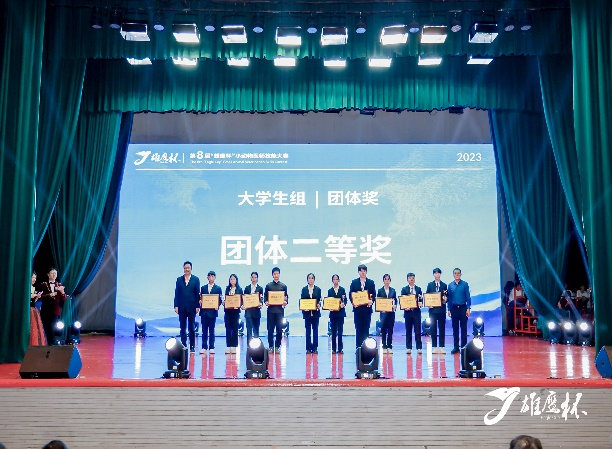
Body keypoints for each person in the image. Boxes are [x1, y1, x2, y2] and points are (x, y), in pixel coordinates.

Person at [173, 261, 200, 352]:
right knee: (182, 328)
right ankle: (183, 345)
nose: (186, 269)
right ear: (183, 269)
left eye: (188, 268)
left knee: (192, 328)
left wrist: (197, 306)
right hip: (182, 307)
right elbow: (176, 293)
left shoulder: (196, 279)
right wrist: (176, 305)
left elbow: (197, 294)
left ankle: (192, 346)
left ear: (191, 269)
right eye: (185, 268)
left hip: (192, 307)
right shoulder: (179, 279)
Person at [349, 264, 376, 349]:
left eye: (364, 271)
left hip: (367, 310)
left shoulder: (371, 282)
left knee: (366, 328)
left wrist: (372, 301)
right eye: (361, 271)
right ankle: (358, 347)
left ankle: (366, 347)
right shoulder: (354, 282)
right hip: (358, 310)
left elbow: (374, 294)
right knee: (358, 328)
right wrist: (353, 302)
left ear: (366, 272)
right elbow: (351, 294)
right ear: (358, 272)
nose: (362, 272)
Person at [39, 267, 67, 345]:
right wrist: (49, 295)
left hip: (55, 309)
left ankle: (52, 342)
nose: (54, 275)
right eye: (52, 273)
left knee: (54, 326)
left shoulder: (59, 285)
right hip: (45, 309)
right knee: (46, 326)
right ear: (48, 274)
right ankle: (46, 342)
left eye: (55, 273)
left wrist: (62, 292)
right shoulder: (43, 285)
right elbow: (40, 296)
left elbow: (64, 299)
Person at [447, 267, 471, 354]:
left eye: (458, 273)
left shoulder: (465, 284)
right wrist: (448, 309)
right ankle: (456, 347)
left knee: (464, 328)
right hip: (454, 309)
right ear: (453, 275)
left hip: (463, 308)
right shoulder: (450, 285)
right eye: (455, 273)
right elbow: (449, 298)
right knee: (455, 329)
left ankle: (464, 347)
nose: (457, 274)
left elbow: (468, 297)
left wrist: (468, 308)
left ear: (461, 274)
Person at [264, 266, 288, 353]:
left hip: (279, 311)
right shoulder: (268, 286)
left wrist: (285, 302)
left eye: (277, 273)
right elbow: (265, 297)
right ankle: (271, 346)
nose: (276, 275)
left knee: (279, 330)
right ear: (272, 275)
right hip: (270, 311)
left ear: (279, 274)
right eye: (274, 274)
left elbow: (286, 297)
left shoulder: (283, 286)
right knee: (270, 330)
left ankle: (277, 346)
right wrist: (266, 301)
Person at [199, 270, 222, 354]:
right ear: (207, 277)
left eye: (212, 276)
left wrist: (217, 305)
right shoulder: (203, 288)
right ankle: (204, 347)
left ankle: (211, 347)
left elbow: (220, 300)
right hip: (204, 312)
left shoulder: (218, 288)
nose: (211, 277)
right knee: (204, 331)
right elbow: (200, 298)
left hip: (212, 312)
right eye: (209, 276)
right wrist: (200, 301)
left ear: (215, 277)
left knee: (212, 330)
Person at [400, 272, 423, 355]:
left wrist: (421, 302)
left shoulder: (418, 289)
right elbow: (402, 300)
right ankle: (409, 347)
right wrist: (405, 307)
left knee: (418, 331)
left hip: (416, 312)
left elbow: (421, 299)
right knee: (408, 330)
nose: (411, 279)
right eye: (410, 278)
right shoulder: (404, 289)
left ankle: (419, 348)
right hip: (408, 313)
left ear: (415, 279)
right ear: (407, 280)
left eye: (413, 278)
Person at [426, 268, 447, 354]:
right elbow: (427, 296)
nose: (437, 275)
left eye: (438, 273)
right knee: (433, 328)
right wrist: (428, 304)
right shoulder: (430, 285)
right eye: (435, 273)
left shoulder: (444, 285)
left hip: (442, 310)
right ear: (433, 275)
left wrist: (446, 299)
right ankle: (434, 347)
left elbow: (447, 297)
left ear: (440, 274)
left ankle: (441, 347)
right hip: (432, 311)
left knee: (442, 328)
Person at [301, 273, 322, 354]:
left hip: (315, 313)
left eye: (312, 278)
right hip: (307, 314)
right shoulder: (304, 289)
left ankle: (315, 348)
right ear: (307, 279)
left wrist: (319, 305)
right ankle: (308, 348)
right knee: (308, 331)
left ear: (314, 279)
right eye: (309, 278)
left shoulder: (318, 289)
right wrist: (304, 308)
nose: (311, 279)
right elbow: (302, 301)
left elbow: (319, 300)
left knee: (315, 331)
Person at [377, 274, 397, 354]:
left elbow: (395, 300)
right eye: (385, 279)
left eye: (388, 279)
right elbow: (378, 301)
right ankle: (384, 346)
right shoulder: (380, 291)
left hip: (391, 313)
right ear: (383, 280)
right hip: (383, 314)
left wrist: (395, 305)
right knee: (383, 330)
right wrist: (380, 309)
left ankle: (389, 346)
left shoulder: (393, 290)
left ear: (390, 281)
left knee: (390, 330)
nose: (387, 281)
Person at [327, 274, 347, 354]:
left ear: (339, 280)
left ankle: (340, 348)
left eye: (337, 279)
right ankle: (333, 349)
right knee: (333, 332)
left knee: (340, 331)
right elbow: (328, 301)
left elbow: (345, 300)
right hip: (333, 314)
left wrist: (343, 304)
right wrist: (329, 307)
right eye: (334, 279)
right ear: (332, 280)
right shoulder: (330, 291)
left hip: (341, 313)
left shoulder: (342, 289)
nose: (335, 281)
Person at [223, 274, 242, 354]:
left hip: (235, 312)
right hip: (228, 312)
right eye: (231, 279)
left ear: (236, 280)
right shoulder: (227, 289)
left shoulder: (239, 289)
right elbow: (225, 299)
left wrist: (239, 304)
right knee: (228, 329)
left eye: (234, 279)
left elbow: (241, 300)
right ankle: (228, 346)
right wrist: (224, 302)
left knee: (235, 329)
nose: (232, 280)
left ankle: (234, 346)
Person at [242, 271, 264, 341]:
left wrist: (261, 304)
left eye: (255, 277)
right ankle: (249, 346)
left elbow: (261, 298)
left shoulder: (260, 288)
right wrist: (243, 305)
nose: (254, 279)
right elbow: (244, 299)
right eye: (252, 277)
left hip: (256, 312)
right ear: (250, 278)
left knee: (256, 331)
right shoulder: (247, 288)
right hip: (248, 313)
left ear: (257, 278)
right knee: (249, 331)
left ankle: (256, 346)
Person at [29, 271, 47, 346]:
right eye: (33, 277)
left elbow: (33, 301)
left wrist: (36, 297)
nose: (34, 279)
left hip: (33, 309)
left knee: (35, 328)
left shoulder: (33, 287)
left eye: (35, 278)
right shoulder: (26, 288)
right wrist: (32, 296)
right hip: (28, 310)